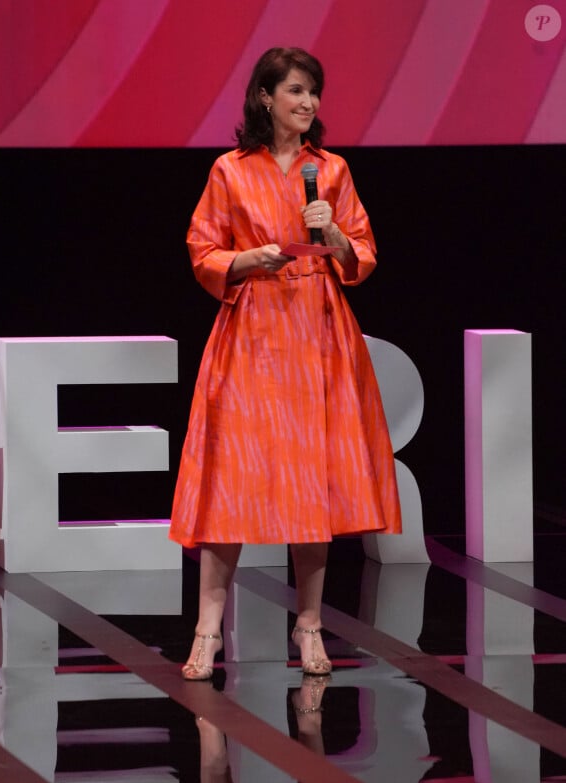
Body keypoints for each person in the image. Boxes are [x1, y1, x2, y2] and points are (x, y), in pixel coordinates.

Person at [169, 47, 401, 680]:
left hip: (315, 333)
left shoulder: (330, 170)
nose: (308, 104)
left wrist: (329, 236)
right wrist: (249, 260)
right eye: (296, 91)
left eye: (314, 94)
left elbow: (364, 254)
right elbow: (203, 249)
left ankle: (310, 625)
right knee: (231, 483)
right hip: (251, 331)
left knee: (310, 482)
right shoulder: (229, 170)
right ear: (266, 97)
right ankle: (207, 630)